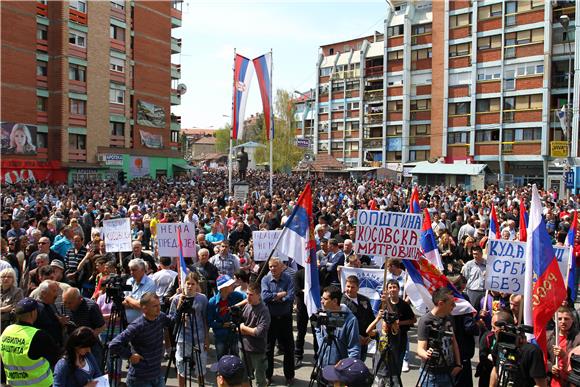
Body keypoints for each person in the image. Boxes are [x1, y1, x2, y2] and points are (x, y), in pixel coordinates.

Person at [109, 292, 173, 387]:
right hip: (140, 379)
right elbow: (114, 344)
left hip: (157, 375)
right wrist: (129, 356)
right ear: (144, 309)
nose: (159, 308)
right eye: (155, 306)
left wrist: (179, 304)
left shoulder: (161, 317)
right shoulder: (137, 326)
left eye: (159, 305)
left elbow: (173, 321)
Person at [0, 298, 59, 387]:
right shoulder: (39, 335)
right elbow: (56, 358)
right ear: (33, 313)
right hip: (40, 385)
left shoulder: (6, 331)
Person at [416, 287, 462, 387]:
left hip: (449, 372)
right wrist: (426, 354)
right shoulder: (425, 321)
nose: (454, 306)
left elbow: (454, 342)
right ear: (441, 303)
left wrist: (458, 364)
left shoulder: (450, 318)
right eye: (451, 303)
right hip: (432, 375)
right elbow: (420, 349)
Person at [169, 272, 209, 386]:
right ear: (184, 284)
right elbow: (171, 318)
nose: (190, 286)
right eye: (188, 283)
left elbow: (205, 319)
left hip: (199, 337)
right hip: (182, 337)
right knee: (181, 366)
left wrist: (207, 338)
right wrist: (179, 309)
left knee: (201, 365)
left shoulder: (202, 299)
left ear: (197, 285)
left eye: (193, 284)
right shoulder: (176, 299)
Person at [489, 311, 547, 387]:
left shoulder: (532, 351)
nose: (492, 331)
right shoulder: (499, 344)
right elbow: (496, 370)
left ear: (502, 329)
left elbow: (541, 385)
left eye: (494, 328)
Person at [261, 257, 296, 384]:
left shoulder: (288, 278)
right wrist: (280, 295)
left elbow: (291, 296)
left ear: (281, 267)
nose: (272, 269)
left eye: (275, 266)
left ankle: (289, 376)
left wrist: (275, 298)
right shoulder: (265, 279)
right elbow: (264, 296)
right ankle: (268, 375)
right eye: (270, 266)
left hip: (285, 318)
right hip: (270, 318)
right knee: (268, 349)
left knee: (289, 348)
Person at [315, 286, 360, 371]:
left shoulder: (350, 320)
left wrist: (347, 367)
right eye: (321, 298)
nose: (321, 302)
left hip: (339, 370)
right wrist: (321, 343)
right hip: (322, 366)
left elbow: (354, 348)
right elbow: (317, 330)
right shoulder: (322, 314)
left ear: (335, 301)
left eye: (325, 299)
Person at [62, 287, 106, 367]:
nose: (67, 306)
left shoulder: (91, 306)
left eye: (70, 303)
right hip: (73, 346)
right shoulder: (64, 306)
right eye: (65, 302)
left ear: (80, 299)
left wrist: (87, 340)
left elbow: (102, 326)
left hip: (90, 346)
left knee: (95, 370)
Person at [238, 281, 270, 387]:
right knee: (243, 377)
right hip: (244, 347)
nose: (248, 296)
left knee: (260, 379)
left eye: (251, 294)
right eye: (247, 294)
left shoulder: (264, 311)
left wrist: (243, 328)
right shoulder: (247, 305)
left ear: (258, 295)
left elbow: (259, 332)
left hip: (257, 350)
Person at [207, 274, 246, 359]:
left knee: (236, 359)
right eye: (230, 285)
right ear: (223, 287)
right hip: (220, 336)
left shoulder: (236, 295)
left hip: (234, 335)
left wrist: (236, 305)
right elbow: (209, 321)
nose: (233, 285)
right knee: (222, 359)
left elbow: (248, 298)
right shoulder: (212, 302)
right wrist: (222, 325)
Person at [383, 279, 416, 372]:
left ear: (398, 289)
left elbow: (413, 320)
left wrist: (400, 323)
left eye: (394, 287)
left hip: (401, 338)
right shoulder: (384, 303)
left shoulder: (404, 305)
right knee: (386, 363)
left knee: (397, 362)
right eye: (390, 287)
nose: (392, 289)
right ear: (387, 290)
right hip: (387, 337)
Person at [340, 275, 375, 360]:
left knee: (361, 362)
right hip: (349, 341)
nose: (349, 289)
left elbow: (371, 318)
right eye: (348, 286)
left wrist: (370, 336)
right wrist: (357, 336)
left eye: (352, 287)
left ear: (358, 288)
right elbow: (342, 323)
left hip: (365, 340)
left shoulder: (365, 300)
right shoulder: (341, 302)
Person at [548, 306, 580, 386]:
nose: (563, 322)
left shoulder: (578, 338)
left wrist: (564, 356)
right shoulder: (548, 336)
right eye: (559, 319)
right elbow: (543, 357)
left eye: (566, 319)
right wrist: (551, 367)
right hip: (552, 380)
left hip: (571, 381)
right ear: (554, 319)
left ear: (572, 320)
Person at [124, 258, 157, 324]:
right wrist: (135, 303)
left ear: (142, 270)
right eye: (130, 270)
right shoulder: (129, 281)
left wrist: (128, 299)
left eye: (134, 270)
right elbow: (122, 302)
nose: (131, 272)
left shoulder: (150, 284)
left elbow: (142, 305)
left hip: (144, 325)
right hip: (128, 323)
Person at [0, 267, 23, 332]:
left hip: (8, 325)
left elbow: (16, 307)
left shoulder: (18, 291)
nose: (6, 278)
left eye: (9, 277)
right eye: (3, 276)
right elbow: (9, 307)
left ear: (13, 279)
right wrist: (3, 309)